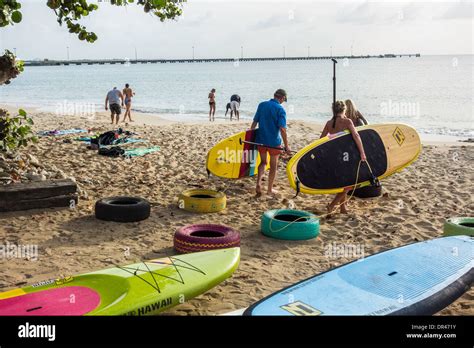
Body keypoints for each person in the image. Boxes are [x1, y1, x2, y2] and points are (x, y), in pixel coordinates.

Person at [320, 100, 367, 215]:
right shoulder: (347, 121)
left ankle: (343, 208)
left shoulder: (329, 123)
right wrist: (362, 152)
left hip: (334, 156)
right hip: (346, 156)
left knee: (343, 183)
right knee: (350, 184)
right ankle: (331, 205)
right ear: (344, 110)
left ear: (333, 110)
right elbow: (356, 135)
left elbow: (321, 139)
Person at [250, 89, 291, 197]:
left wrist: (250, 136)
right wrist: (286, 146)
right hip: (274, 142)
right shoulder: (280, 109)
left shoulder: (262, 105)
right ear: (282, 98)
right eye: (283, 100)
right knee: (273, 166)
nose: (283, 102)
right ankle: (269, 190)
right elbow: (282, 129)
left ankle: (258, 183)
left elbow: (255, 122)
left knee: (263, 162)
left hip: (261, 140)